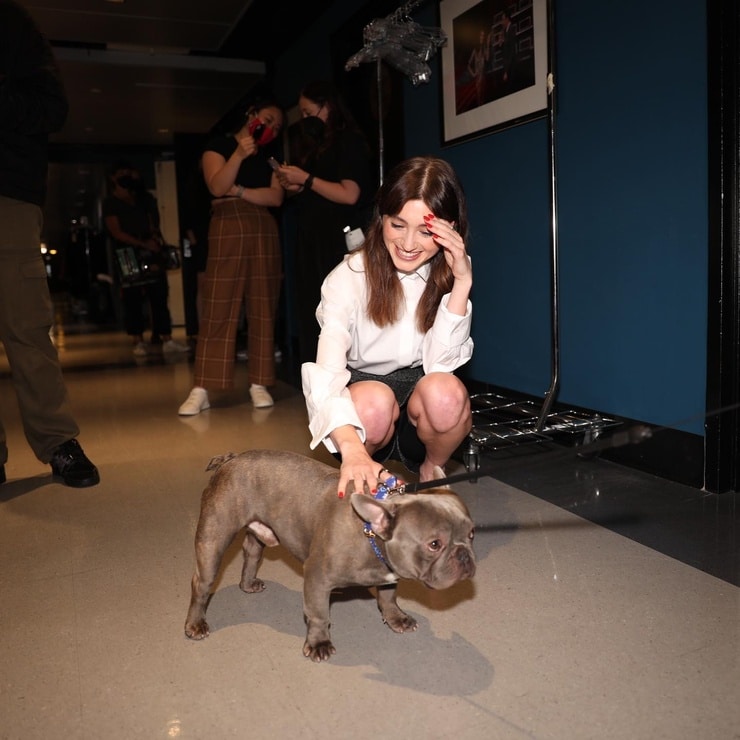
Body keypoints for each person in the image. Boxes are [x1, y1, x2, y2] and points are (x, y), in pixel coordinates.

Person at [301, 156, 473, 499]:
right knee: (375, 403)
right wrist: (351, 450)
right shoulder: (348, 277)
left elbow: (440, 368)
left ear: (448, 229)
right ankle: (366, 472)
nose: (409, 244)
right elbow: (327, 371)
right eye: (397, 225)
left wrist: (462, 282)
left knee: (447, 395)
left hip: (417, 395)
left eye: (426, 231)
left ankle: (429, 469)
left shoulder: (447, 271)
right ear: (381, 219)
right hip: (365, 397)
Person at [0, 0, 99, 487]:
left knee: (27, 326)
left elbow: (51, 107)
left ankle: (57, 440)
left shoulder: (11, 24)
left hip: (8, 195)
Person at [178, 97, 285, 415]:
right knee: (218, 304)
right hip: (225, 224)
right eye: (267, 119)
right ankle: (201, 388)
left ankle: (259, 382)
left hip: (263, 227)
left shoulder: (271, 158)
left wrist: (238, 191)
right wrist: (239, 154)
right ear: (252, 114)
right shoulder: (219, 145)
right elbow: (216, 185)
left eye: (277, 126)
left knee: (263, 305)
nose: (271, 128)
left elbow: (276, 197)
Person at [275, 80, 374, 366]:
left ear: (328, 107)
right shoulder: (315, 146)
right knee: (312, 310)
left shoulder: (348, 142)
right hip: (311, 238)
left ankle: (346, 379)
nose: (306, 121)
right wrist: (293, 183)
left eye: (309, 113)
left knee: (338, 310)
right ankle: (319, 379)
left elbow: (349, 194)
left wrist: (304, 179)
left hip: (337, 240)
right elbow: (314, 190)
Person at [103, 161, 189, 356]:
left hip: (150, 250)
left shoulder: (144, 199)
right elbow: (116, 232)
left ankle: (165, 337)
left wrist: (152, 242)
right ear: (113, 178)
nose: (128, 177)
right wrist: (141, 243)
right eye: (122, 173)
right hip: (127, 254)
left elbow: (153, 223)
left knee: (159, 293)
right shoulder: (110, 203)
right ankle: (137, 340)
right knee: (132, 297)